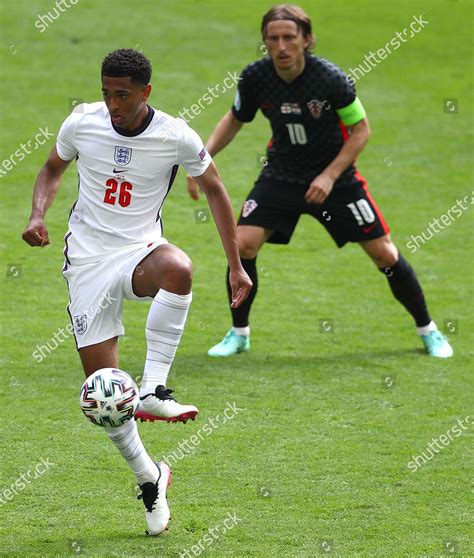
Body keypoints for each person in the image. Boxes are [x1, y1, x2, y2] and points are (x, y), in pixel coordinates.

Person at [22, 48, 252, 536]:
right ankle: (151, 478)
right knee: (103, 396)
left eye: (122, 95)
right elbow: (51, 170)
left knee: (180, 269)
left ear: (147, 91)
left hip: (139, 248)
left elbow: (215, 188)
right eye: (106, 93)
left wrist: (235, 265)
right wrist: (38, 214)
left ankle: (152, 388)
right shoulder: (83, 122)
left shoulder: (174, 135)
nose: (112, 104)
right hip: (86, 263)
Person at [187, 4, 453, 360]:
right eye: (272, 38)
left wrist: (328, 176)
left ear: (306, 40)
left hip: (337, 178)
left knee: (384, 254)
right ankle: (239, 333)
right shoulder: (255, 77)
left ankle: (428, 330)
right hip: (282, 174)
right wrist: (200, 159)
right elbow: (235, 119)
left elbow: (361, 131)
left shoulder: (331, 79)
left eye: (289, 38)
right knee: (244, 245)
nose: (281, 46)